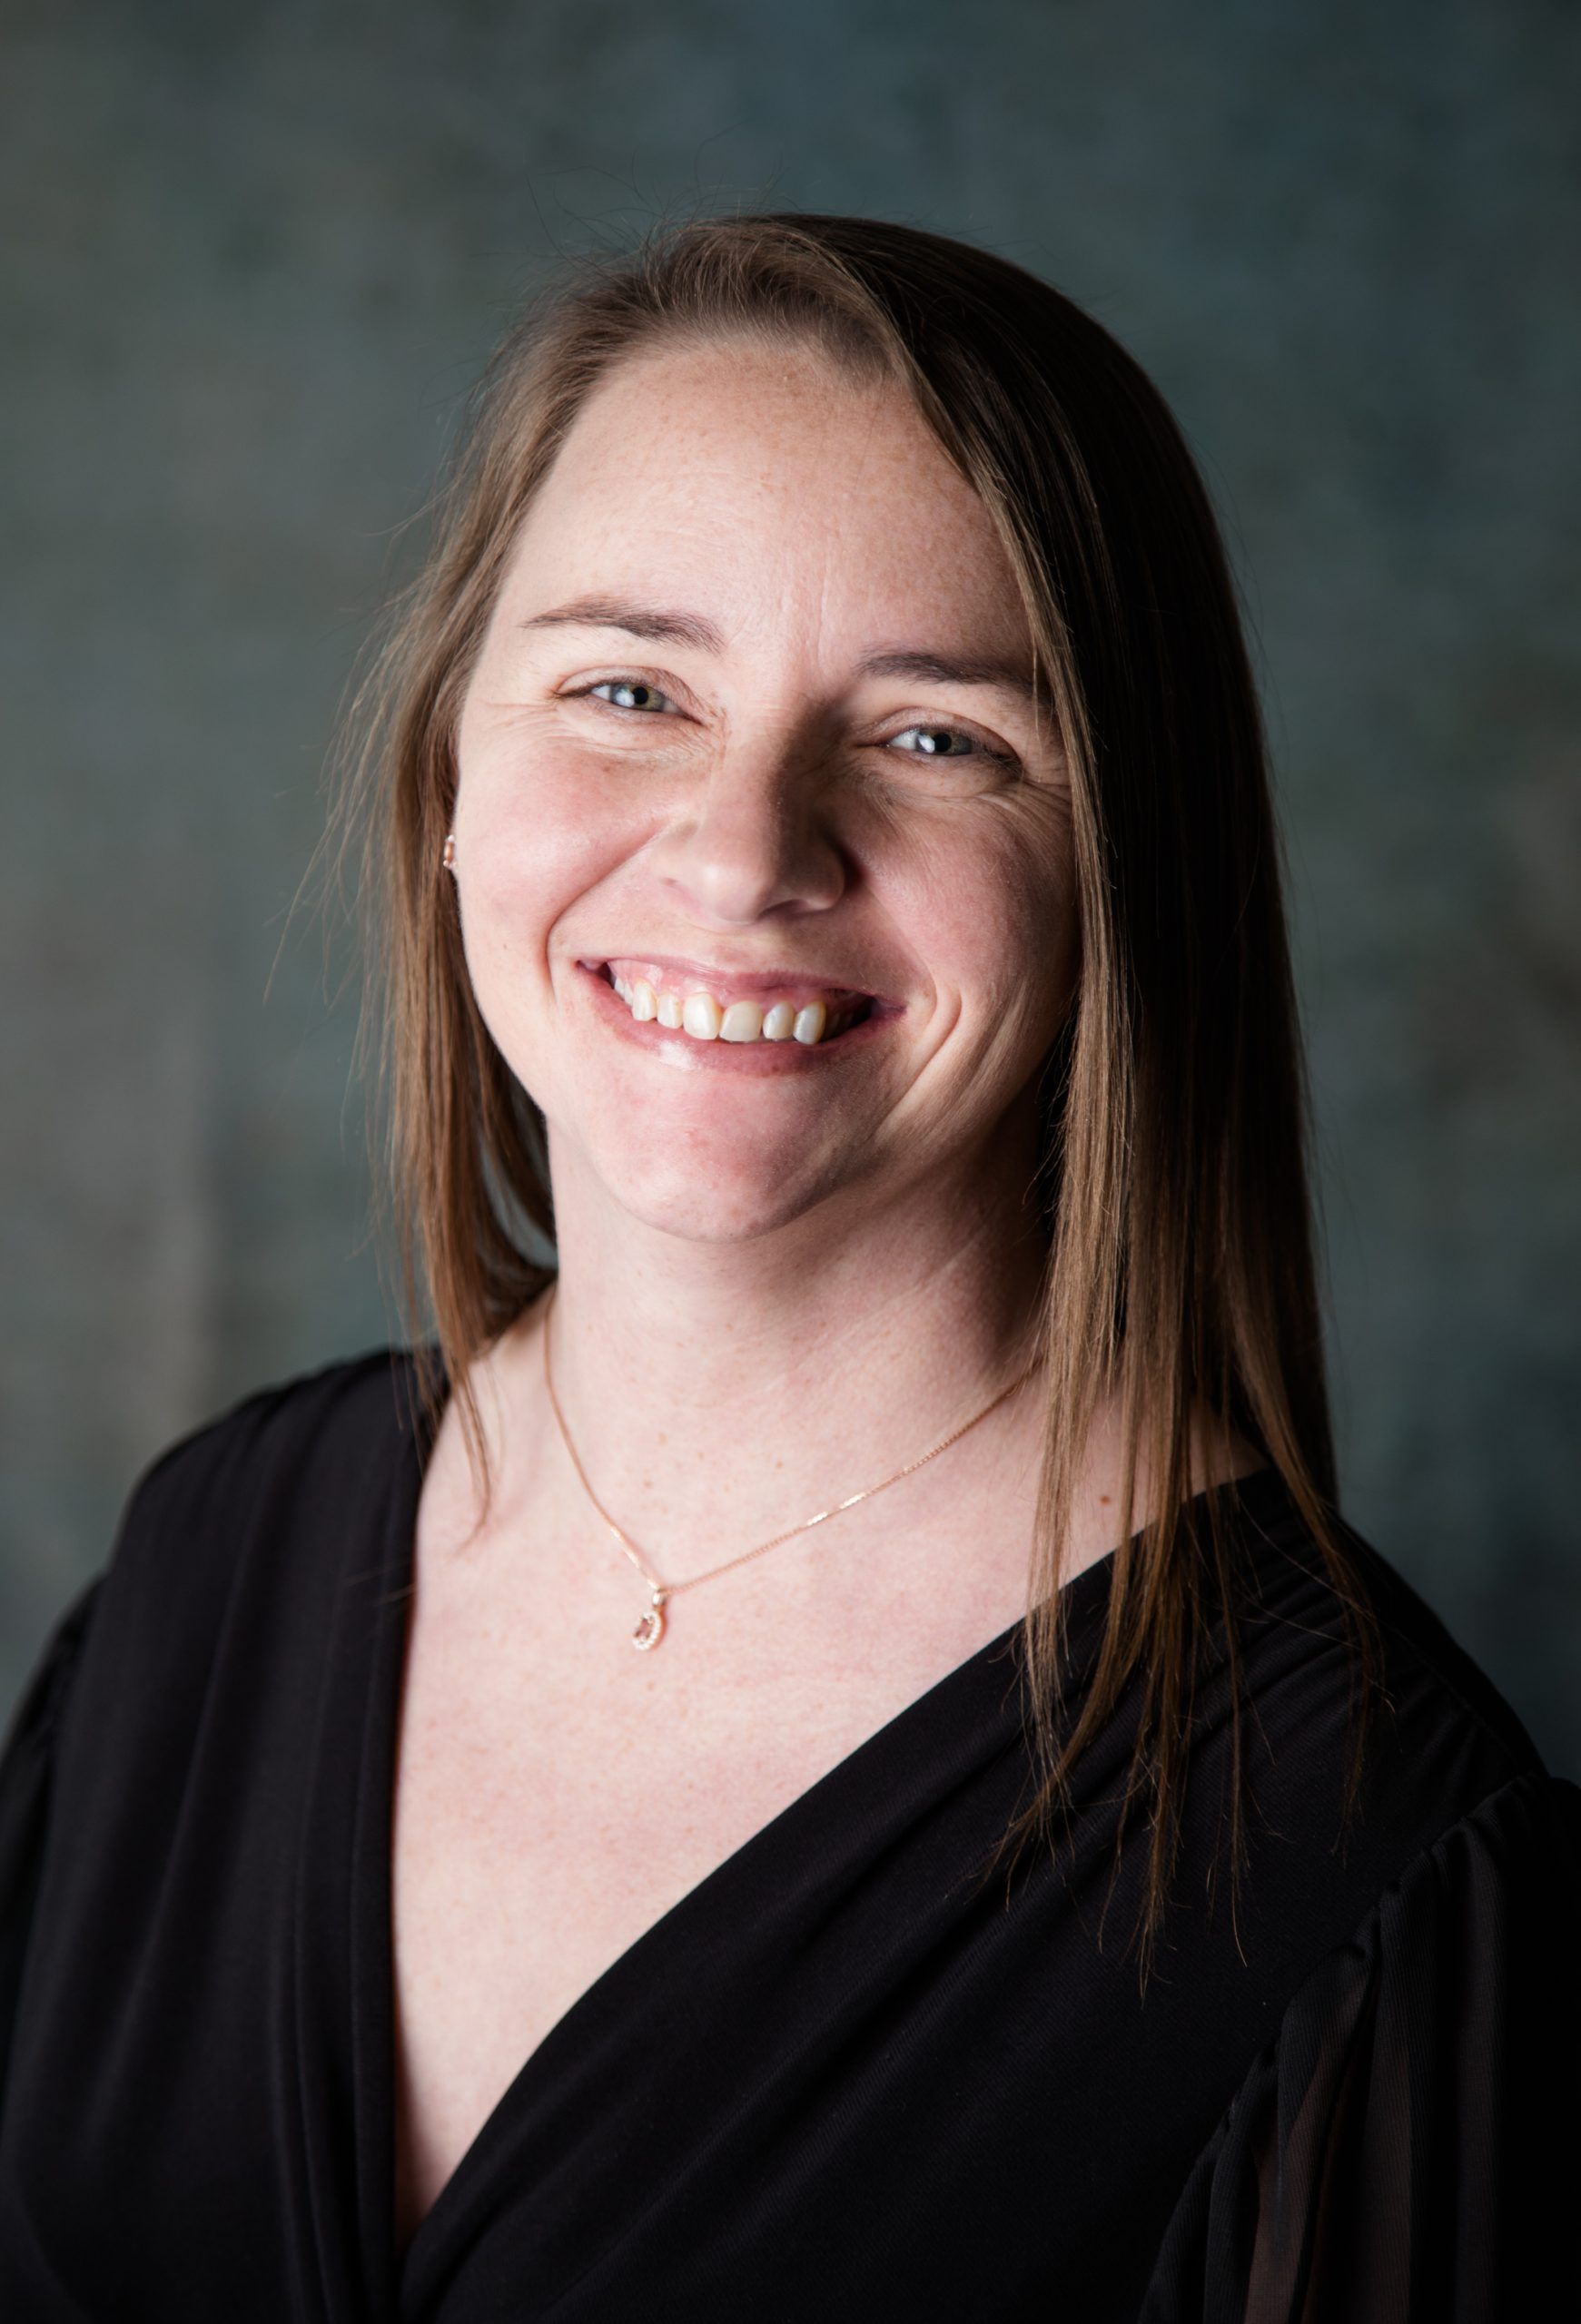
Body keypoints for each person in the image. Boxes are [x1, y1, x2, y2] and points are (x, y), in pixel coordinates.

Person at [1, 212, 1576, 2323]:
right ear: (451, 772)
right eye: (629, 688)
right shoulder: (210, 1568)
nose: (747, 850)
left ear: (1121, 870)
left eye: (937, 736)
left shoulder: (1358, 1860)